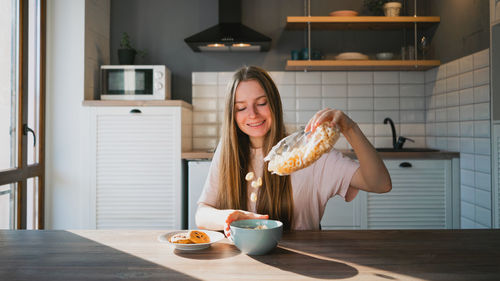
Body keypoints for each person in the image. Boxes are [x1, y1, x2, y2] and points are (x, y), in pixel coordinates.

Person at [196, 66, 391, 237]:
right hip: (243, 261)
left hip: (305, 260)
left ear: (274, 104)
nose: (252, 114)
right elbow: (202, 213)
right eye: (241, 107)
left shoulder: (309, 153)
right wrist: (227, 217)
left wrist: (350, 128)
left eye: (262, 103)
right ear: (232, 114)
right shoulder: (227, 150)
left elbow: (380, 184)